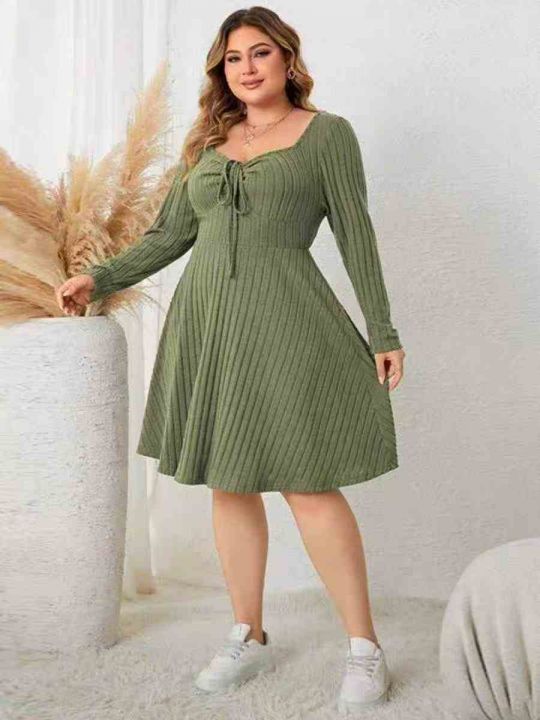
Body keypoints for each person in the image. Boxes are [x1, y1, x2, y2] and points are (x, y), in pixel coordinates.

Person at [55, 7, 405, 713]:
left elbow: (355, 233)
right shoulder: (207, 144)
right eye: (233, 58)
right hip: (208, 324)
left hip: (288, 321)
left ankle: (364, 648)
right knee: (229, 482)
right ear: (222, 70)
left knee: (308, 482)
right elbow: (169, 236)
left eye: (260, 53)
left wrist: (383, 329)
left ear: (287, 60)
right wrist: (103, 277)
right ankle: (248, 632)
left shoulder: (328, 135)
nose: (247, 68)